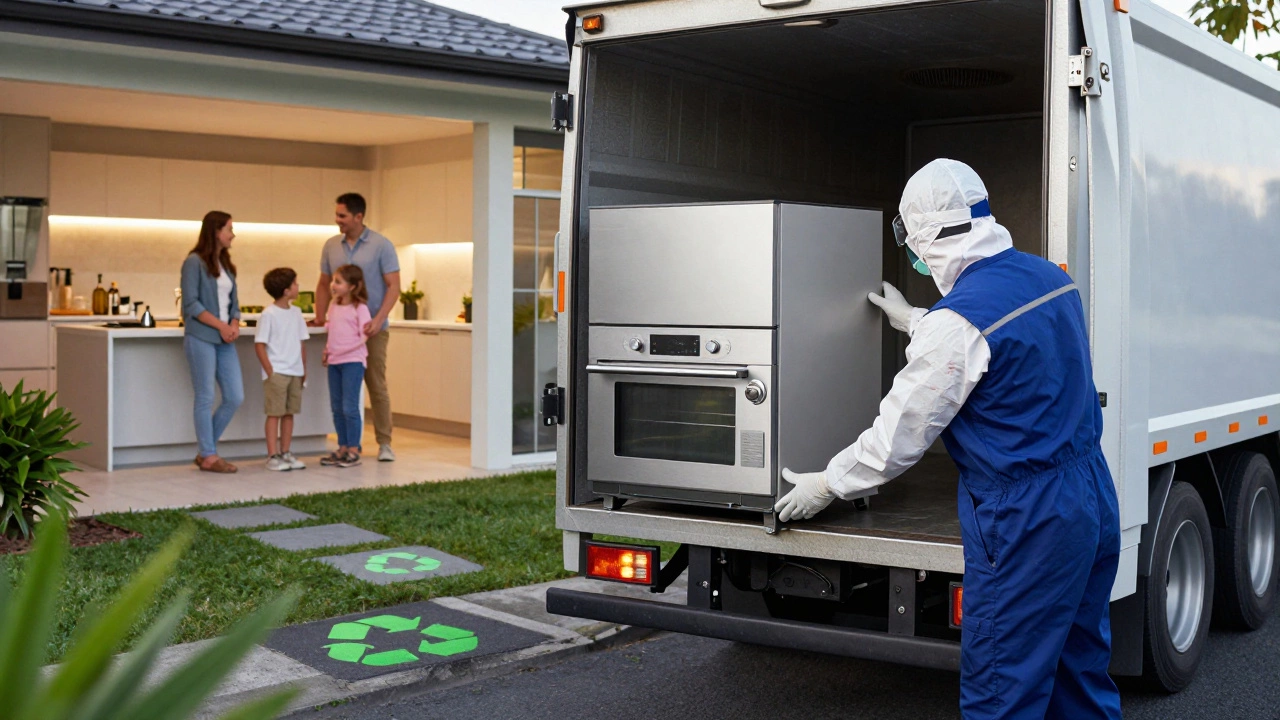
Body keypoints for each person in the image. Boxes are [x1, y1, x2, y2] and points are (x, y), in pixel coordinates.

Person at [775, 159, 1122, 720]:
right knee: (1078, 672)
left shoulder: (954, 325)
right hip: (1088, 494)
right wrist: (918, 318)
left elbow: (899, 438)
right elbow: (1006, 348)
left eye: (912, 241)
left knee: (1002, 691)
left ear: (927, 238)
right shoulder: (1050, 278)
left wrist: (827, 483)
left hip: (1026, 520)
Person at [312, 193, 400, 463]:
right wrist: (319, 317)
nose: (337, 220)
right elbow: (324, 284)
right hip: (342, 332)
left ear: (358, 217)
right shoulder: (331, 246)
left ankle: (384, 443)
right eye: (337, 215)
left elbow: (394, 286)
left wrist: (377, 319)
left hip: (372, 329)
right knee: (343, 398)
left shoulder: (381, 245)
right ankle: (347, 445)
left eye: (342, 216)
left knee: (376, 385)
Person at [180, 211, 245, 475]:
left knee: (235, 396)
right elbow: (191, 304)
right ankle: (208, 455)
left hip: (224, 340)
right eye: (229, 228)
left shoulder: (227, 265)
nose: (233, 234)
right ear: (216, 231)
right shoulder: (193, 262)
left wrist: (234, 324)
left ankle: (206, 450)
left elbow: (235, 304)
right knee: (205, 396)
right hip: (201, 337)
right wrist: (222, 326)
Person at [256, 267, 310, 472]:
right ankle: (272, 456)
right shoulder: (268, 314)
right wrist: (270, 371)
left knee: (289, 413)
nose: (298, 287)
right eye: (295, 283)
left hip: (295, 372)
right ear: (287, 290)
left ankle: (286, 452)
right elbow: (260, 344)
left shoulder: (296, 313)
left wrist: (303, 368)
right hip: (277, 372)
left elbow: (301, 342)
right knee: (274, 414)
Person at [322, 264, 372, 468]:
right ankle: (342, 446)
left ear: (352, 286)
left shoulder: (360, 308)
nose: (333, 285)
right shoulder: (334, 306)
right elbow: (332, 331)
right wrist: (328, 350)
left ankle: (353, 448)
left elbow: (364, 337)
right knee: (336, 406)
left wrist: (340, 351)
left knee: (349, 406)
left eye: (338, 282)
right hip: (334, 362)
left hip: (352, 362)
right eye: (333, 280)